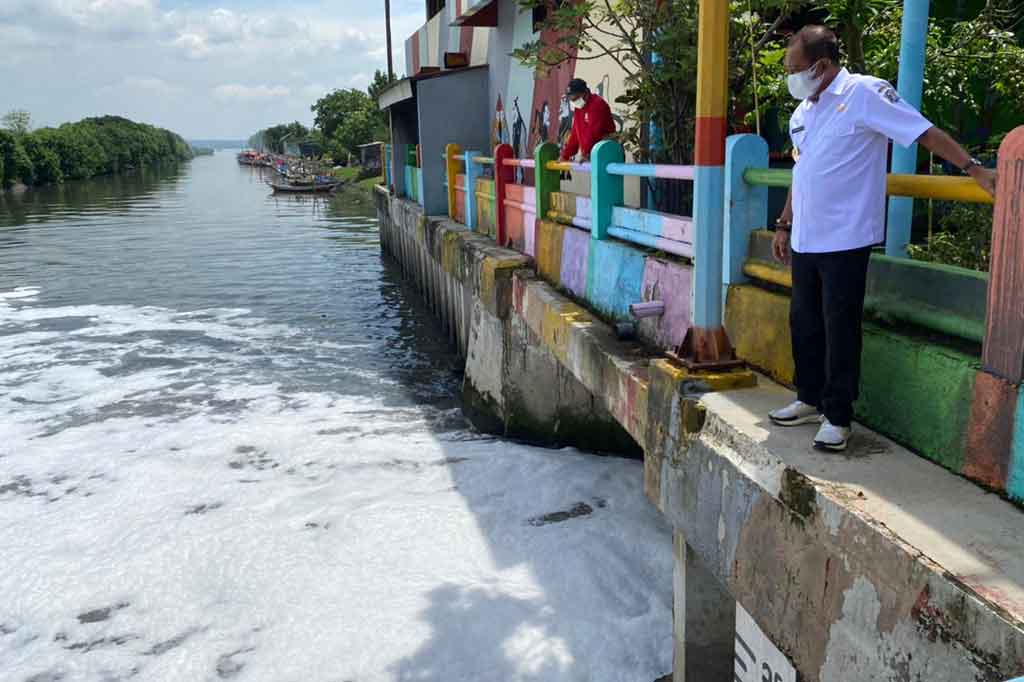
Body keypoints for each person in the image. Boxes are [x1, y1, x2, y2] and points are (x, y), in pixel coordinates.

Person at [768, 25, 997, 452]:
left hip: (846, 237)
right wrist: (784, 223)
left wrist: (974, 168)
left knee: (840, 327)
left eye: (794, 68)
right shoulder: (805, 112)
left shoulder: (865, 94)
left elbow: (923, 131)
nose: (790, 76)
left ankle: (837, 416)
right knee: (804, 323)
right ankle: (808, 397)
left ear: (820, 65)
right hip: (805, 237)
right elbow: (802, 172)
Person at [559, 78, 617, 162]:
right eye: (571, 99)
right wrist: (565, 155)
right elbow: (575, 134)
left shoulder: (598, 104)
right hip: (593, 153)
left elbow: (593, 132)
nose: (573, 101)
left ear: (585, 93)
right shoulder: (579, 108)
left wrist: (586, 153)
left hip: (606, 152)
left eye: (575, 98)